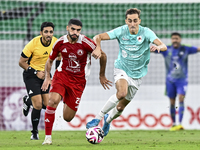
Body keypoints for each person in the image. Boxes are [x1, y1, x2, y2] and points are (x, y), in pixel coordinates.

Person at [86, 8, 167, 136]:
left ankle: (107, 120)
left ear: (139, 21)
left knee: (120, 108)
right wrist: (98, 47)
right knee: (121, 93)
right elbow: (98, 37)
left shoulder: (146, 32)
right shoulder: (121, 31)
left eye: (135, 20)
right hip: (121, 68)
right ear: (126, 21)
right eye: (130, 21)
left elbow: (164, 46)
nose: (133, 23)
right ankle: (97, 118)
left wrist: (157, 47)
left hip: (137, 75)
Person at [41, 18, 110, 145]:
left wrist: (102, 75)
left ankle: (64, 97)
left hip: (78, 83)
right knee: (52, 100)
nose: (75, 32)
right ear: (67, 28)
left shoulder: (86, 43)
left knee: (68, 117)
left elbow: (103, 56)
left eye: (78, 30)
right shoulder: (60, 42)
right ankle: (48, 138)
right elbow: (50, 60)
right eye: (73, 29)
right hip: (61, 76)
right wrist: (47, 77)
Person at [19, 22, 57, 140]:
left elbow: (59, 58)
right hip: (31, 75)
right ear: (41, 33)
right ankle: (34, 133)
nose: (48, 34)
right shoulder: (33, 44)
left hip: (46, 75)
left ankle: (28, 101)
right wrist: (36, 72)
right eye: (46, 32)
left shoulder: (56, 42)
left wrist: (51, 76)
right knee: (38, 104)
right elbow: (21, 62)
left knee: (47, 105)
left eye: (51, 32)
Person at [155, 32, 200, 131]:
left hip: (182, 80)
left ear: (180, 40)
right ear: (171, 40)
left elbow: (197, 49)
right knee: (171, 102)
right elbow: (153, 49)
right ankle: (174, 124)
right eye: (173, 38)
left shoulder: (185, 48)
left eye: (177, 38)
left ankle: (180, 124)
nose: (175, 40)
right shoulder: (166, 49)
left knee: (181, 98)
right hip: (170, 81)